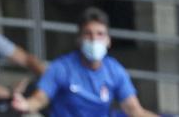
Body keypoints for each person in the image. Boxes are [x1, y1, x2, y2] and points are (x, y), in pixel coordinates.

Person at [11, 7, 157, 117]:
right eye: (88, 34)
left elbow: (134, 110)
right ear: (79, 39)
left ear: (108, 40)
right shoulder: (61, 67)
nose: (94, 39)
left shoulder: (115, 70)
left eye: (100, 34)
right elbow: (40, 98)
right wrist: (26, 104)